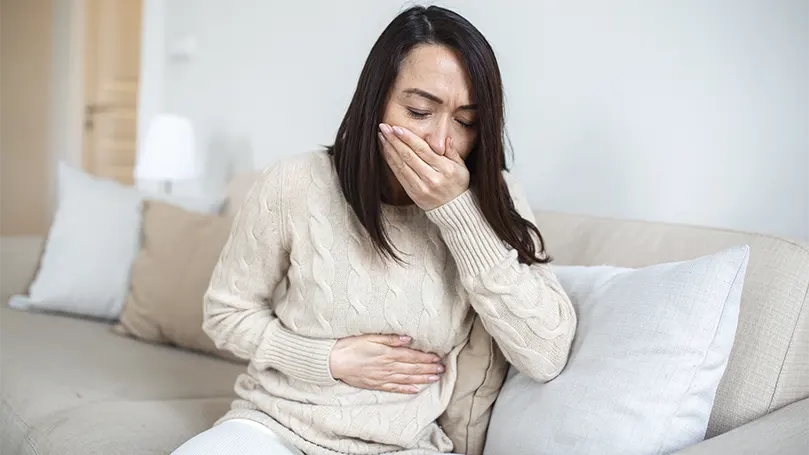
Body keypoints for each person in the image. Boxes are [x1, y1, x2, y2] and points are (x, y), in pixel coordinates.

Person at [172, 5, 577, 455]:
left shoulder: (495, 197)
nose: (441, 143)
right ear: (376, 100)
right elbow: (226, 315)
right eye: (420, 110)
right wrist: (327, 359)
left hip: (404, 445)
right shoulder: (296, 183)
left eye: (466, 122)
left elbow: (547, 354)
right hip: (275, 426)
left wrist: (458, 214)